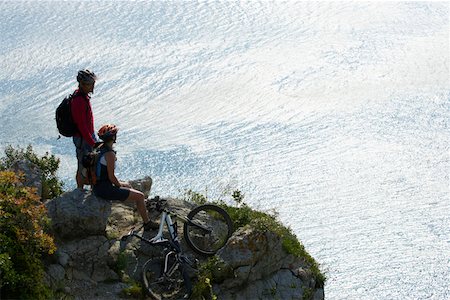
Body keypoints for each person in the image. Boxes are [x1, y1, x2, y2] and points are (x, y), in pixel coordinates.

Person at [93, 124, 158, 230]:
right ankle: (147, 223)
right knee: (140, 196)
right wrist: (120, 184)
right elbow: (111, 177)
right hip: (105, 190)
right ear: (113, 137)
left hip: (97, 187)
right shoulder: (110, 154)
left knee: (128, 187)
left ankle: (140, 208)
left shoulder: (99, 148)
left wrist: (122, 185)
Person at [72, 69, 99, 189]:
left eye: (93, 83)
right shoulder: (78, 101)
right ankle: (80, 190)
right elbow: (81, 125)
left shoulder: (83, 97)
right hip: (83, 138)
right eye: (90, 84)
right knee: (83, 164)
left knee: (91, 163)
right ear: (82, 84)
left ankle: (90, 187)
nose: (92, 86)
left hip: (88, 135)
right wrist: (93, 142)